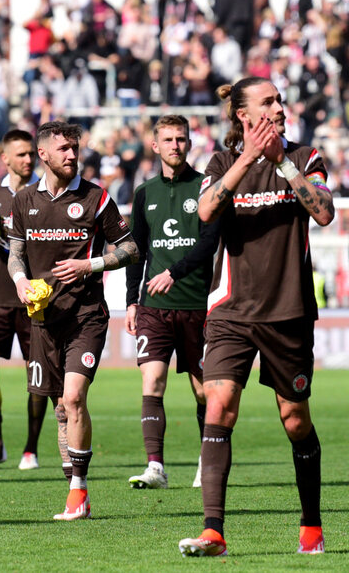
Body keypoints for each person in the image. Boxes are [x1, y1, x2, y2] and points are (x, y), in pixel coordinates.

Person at [178, 78, 334, 557]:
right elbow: (205, 211)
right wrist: (249, 158)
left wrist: (281, 162)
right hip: (231, 311)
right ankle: (214, 532)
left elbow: (324, 212)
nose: (279, 107)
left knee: (294, 421)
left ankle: (311, 525)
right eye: (267, 102)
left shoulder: (306, 158)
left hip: (288, 312)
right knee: (219, 404)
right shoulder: (223, 162)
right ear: (244, 116)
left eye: (280, 99)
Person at [7, 121, 139, 521]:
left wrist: (90, 265)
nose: (71, 154)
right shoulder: (24, 199)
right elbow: (15, 253)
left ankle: (78, 492)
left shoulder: (96, 197)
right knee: (59, 408)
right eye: (63, 148)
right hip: (43, 318)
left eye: (74, 148)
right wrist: (18, 281)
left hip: (86, 316)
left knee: (74, 398)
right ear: (43, 154)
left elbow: (130, 248)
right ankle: (72, 479)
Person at [124, 115, 220, 489]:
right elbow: (136, 251)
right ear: (155, 145)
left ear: (189, 143)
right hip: (152, 307)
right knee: (153, 380)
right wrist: (131, 301)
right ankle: (155, 467)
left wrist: (174, 272)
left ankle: (206, 462)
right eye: (168, 139)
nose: (175, 145)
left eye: (181, 139)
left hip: (197, 305)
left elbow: (209, 243)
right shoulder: (144, 193)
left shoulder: (205, 188)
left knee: (203, 389)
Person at [0, 129, 62, 473]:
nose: (27, 160)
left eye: (30, 154)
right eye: (20, 154)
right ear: (5, 158)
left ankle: (30, 449)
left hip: (34, 297)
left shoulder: (46, 194)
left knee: (35, 373)